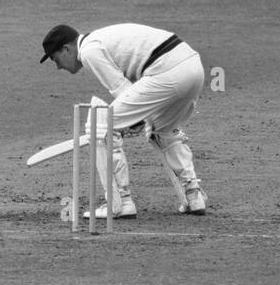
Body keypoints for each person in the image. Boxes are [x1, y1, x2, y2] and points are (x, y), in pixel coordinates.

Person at [39, 23, 209, 220]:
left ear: (66, 49)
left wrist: (134, 121)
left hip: (167, 71)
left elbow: (121, 88)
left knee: (101, 125)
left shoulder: (88, 51)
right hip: (193, 67)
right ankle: (193, 195)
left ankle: (120, 202)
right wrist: (138, 119)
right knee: (163, 129)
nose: (58, 66)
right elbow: (131, 94)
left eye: (55, 58)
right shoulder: (100, 39)